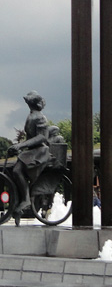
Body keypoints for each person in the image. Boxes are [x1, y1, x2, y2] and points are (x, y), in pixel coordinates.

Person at [7, 92, 52, 224]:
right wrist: (19, 147)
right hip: (32, 151)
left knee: (16, 170)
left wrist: (21, 145)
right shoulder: (32, 115)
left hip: (39, 151)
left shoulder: (40, 117)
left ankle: (26, 199)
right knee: (14, 170)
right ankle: (20, 200)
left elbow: (42, 137)